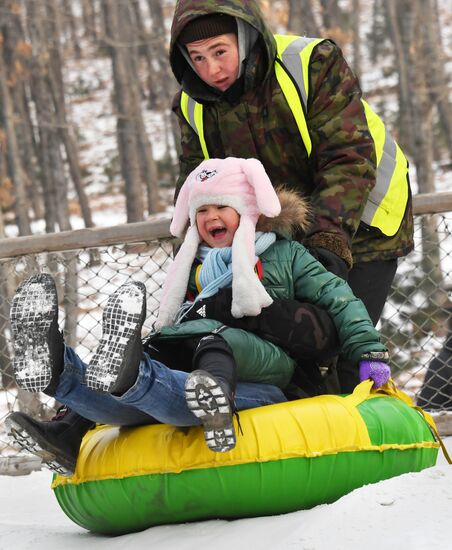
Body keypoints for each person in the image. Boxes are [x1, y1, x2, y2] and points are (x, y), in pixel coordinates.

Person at [6, 157, 391, 475]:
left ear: (246, 209)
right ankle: (59, 368)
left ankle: (196, 387)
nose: (211, 217)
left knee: (213, 338)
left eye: (222, 206)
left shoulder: (284, 255)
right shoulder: (192, 267)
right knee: (154, 358)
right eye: (202, 210)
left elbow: (339, 296)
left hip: (265, 368)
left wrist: (368, 351)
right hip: (192, 364)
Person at [169, 0, 414, 393]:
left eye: (219, 52)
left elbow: (347, 157)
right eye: (196, 58)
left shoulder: (311, 63)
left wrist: (329, 241)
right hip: (281, 231)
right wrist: (190, 259)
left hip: (365, 215)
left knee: (344, 342)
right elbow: (198, 186)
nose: (211, 69)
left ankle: (366, 430)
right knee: (292, 350)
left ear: (245, 38)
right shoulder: (192, 105)